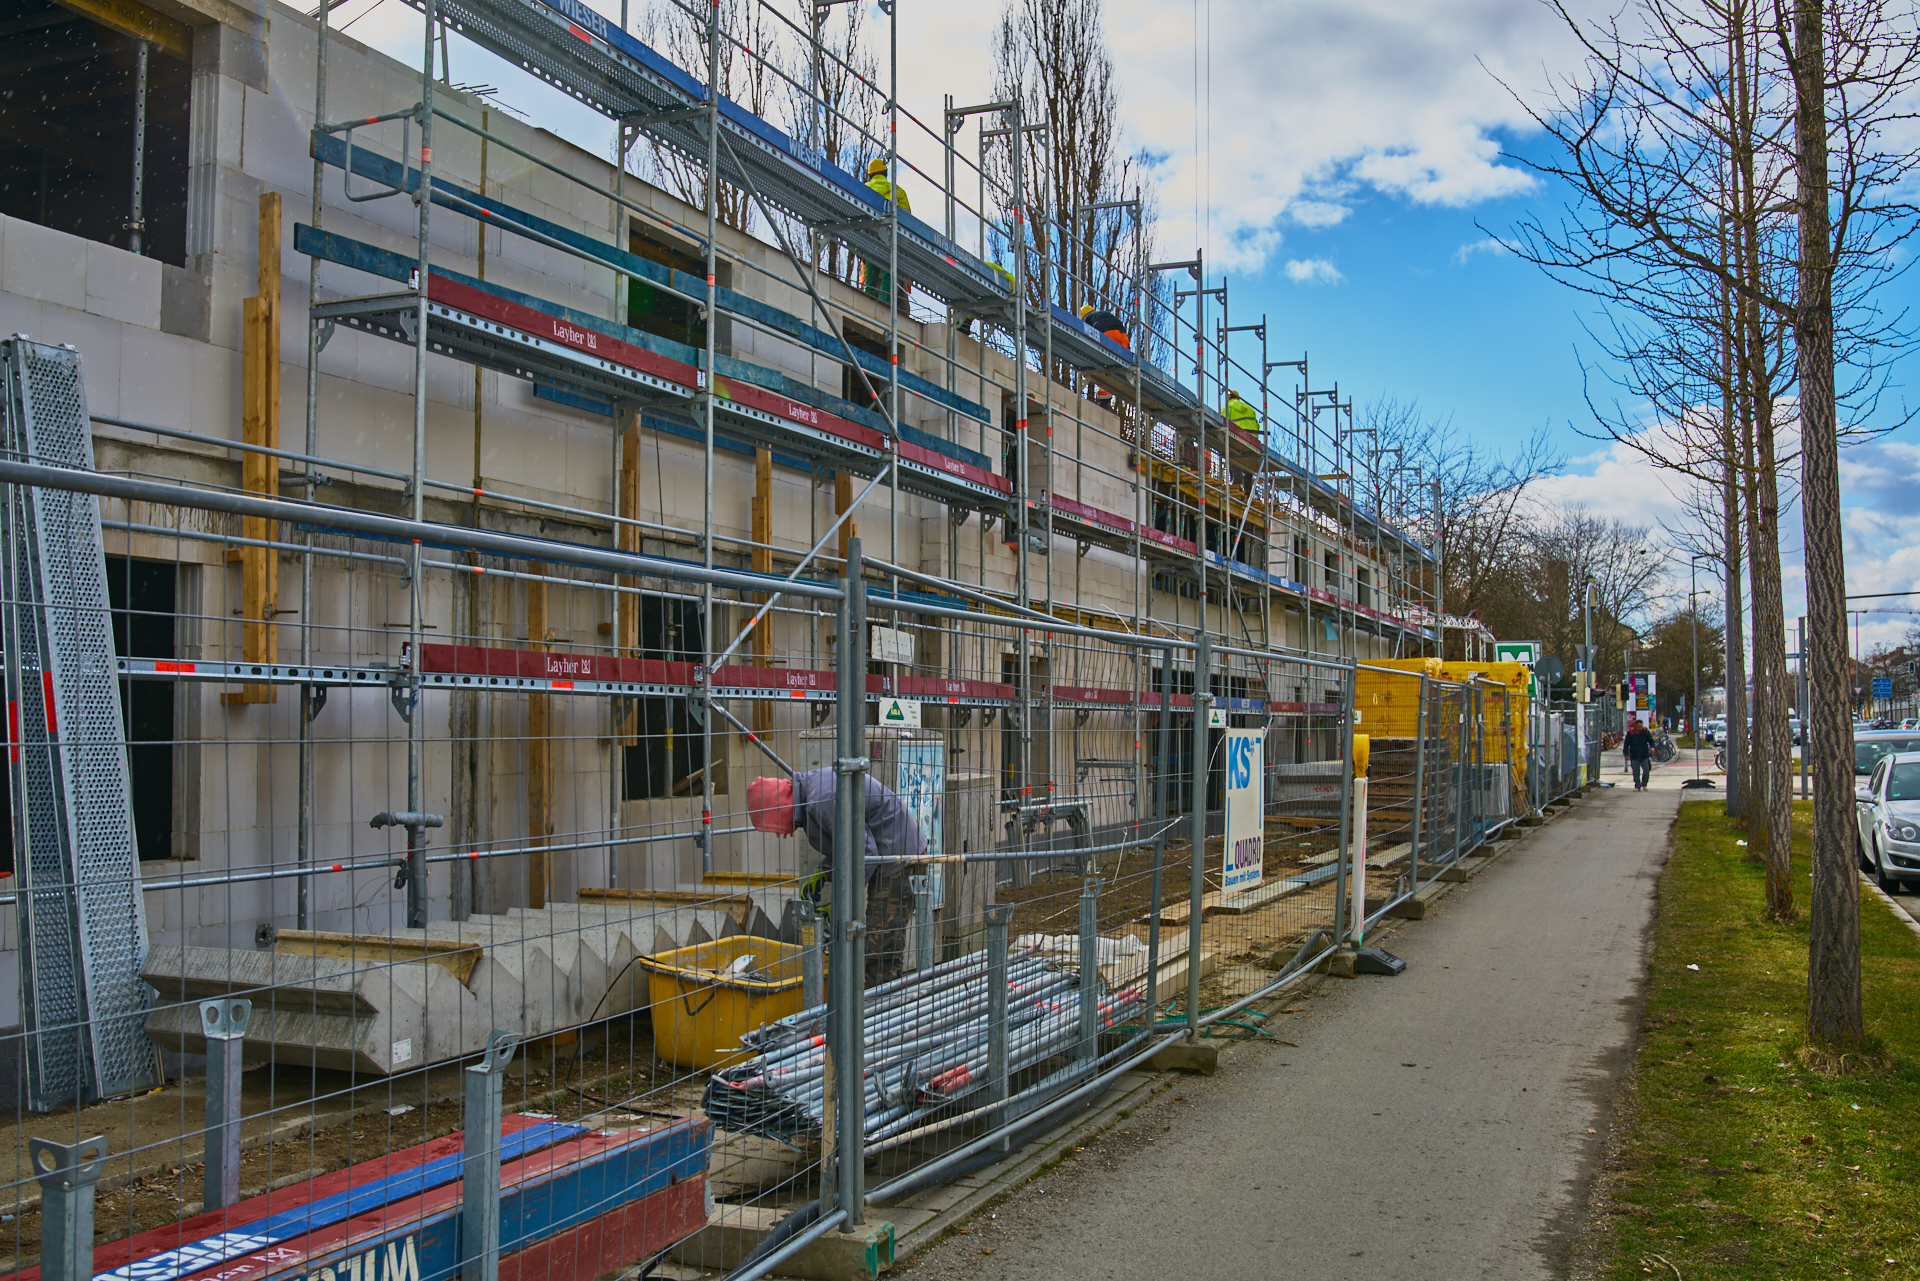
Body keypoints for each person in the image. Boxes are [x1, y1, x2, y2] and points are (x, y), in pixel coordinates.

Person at [747, 769, 926, 985]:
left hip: (897, 855)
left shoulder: (821, 801)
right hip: (886, 851)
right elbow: (847, 842)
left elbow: (864, 850)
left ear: (778, 807)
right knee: (876, 948)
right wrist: (826, 870)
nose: (778, 833)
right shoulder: (812, 798)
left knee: (879, 951)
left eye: (773, 825)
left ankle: (879, 1012)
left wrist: (843, 901)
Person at [859, 158, 912, 312]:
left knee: (870, 276)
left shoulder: (862, 189)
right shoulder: (898, 192)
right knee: (888, 276)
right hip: (889, 238)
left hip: (869, 238)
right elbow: (907, 221)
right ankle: (884, 311)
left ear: (870, 175)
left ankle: (866, 310)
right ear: (885, 173)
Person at [1623, 716, 1654, 791]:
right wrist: (1626, 754)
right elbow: (1626, 744)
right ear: (1635, 726)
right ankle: (1637, 785)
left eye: (1641, 726)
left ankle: (1644, 784)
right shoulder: (1630, 733)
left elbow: (1651, 741)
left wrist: (1652, 747)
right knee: (1636, 771)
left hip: (1644, 754)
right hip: (1634, 755)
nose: (1640, 728)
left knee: (1646, 770)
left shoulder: (1645, 732)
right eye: (1639, 726)